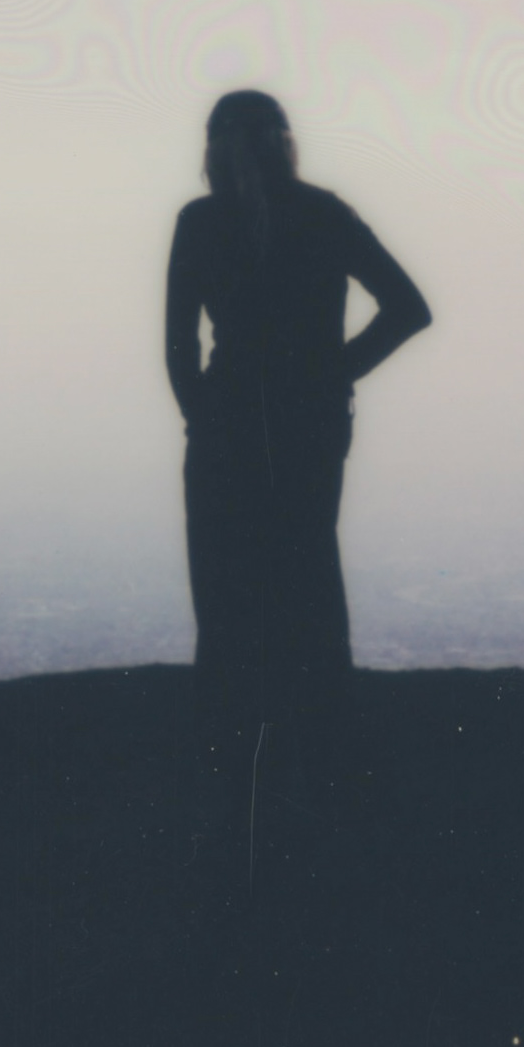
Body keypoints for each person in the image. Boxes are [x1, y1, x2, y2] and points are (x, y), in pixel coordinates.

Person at [166, 90, 430, 814]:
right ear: (285, 143)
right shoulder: (324, 212)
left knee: (224, 601)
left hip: (226, 434)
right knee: (308, 581)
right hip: (309, 428)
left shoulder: (200, 222)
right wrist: (330, 374)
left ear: (213, 149)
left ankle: (227, 779)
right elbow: (409, 308)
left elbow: (180, 346)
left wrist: (204, 414)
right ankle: (323, 766)